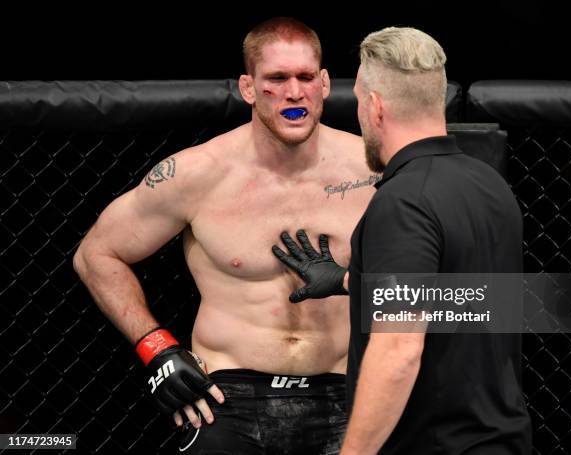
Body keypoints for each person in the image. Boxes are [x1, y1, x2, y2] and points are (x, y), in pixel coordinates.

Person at [73, 17, 378, 455]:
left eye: (306, 77)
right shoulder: (199, 174)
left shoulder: (373, 171)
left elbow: (461, 292)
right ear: (248, 88)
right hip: (228, 398)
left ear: (325, 83)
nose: (294, 93)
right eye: (277, 78)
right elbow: (96, 254)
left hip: (347, 386)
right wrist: (157, 349)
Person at [273, 27, 532, 454]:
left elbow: (399, 347)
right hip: (500, 439)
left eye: (358, 100)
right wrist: (350, 281)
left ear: (375, 107)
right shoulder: (489, 184)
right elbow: (471, 298)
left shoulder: (403, 200)